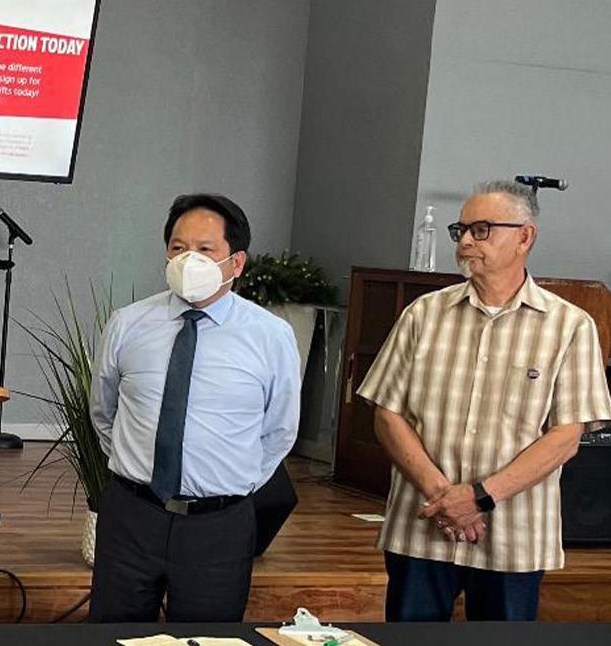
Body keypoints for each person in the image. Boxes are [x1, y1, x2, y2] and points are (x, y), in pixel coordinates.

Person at [358, 180, 611, 622]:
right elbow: (387, 414)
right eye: (462, 231)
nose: (466, 242)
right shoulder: (423, 314)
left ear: (525, 237)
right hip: (423, 527)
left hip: (513, 536)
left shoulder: (570, 326)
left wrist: (478, 498)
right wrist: (444, 496)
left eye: (482, 230)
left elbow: (566, 437)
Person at [88, 193, 301, 622]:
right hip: (132, 516)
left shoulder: (271, 336)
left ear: (236, 263)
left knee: (209, 638)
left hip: (217, 527)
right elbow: (103, 411)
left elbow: (279, 431)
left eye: (205, 250)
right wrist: (139, 470)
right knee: (112, 635)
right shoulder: (127, 323)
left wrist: (227, 485)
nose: (189, 260)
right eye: (178, 248)